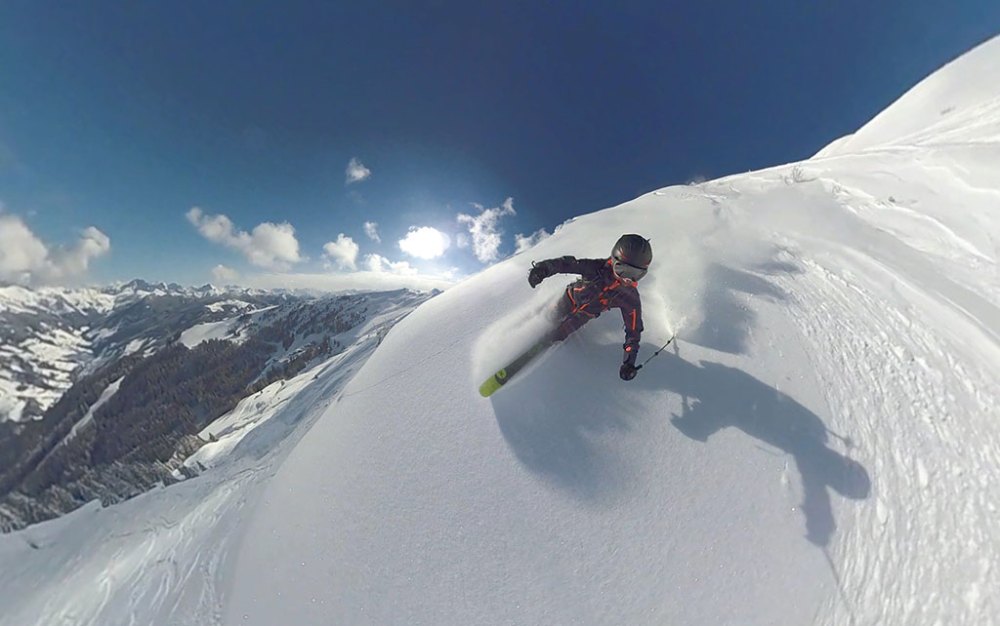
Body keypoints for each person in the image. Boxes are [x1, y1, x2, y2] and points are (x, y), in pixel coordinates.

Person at [527, 234, 651, 381]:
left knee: (560, 335)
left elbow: (633, 332)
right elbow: (567, 264)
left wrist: (629, 363)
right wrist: (543, 270)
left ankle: (543, 346)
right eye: (622, 270)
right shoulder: (597, 268)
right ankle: (527, 328)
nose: (627, 279)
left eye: (636, 274)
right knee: (549, 317)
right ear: (613, 260)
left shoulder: (630, 298)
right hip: (569, 299)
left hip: (584, 315)